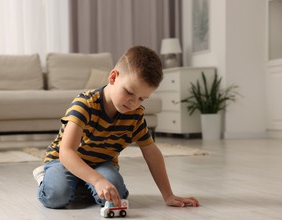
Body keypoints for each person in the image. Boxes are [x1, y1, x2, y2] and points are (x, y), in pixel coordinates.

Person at [34, 46, 200, 209]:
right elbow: (66, 152)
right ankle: (47, 177)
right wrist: (97, 181)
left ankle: (83, 182)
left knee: (116, 197)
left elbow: (152, 153)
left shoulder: (135, 115)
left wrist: (168, 195)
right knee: (56, 197)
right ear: (113, 77)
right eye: (129, 92)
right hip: (63, 162)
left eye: (141, 98)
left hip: (101, 163)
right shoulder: (84, 105)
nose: (133, 102)